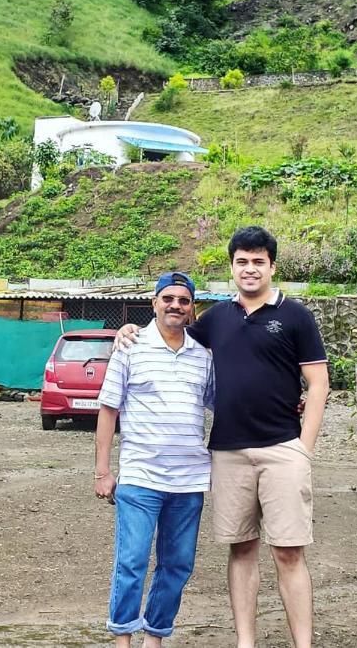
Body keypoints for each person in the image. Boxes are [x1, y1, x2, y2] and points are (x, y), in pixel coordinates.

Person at [115, 226, 329, 648]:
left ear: (272, 266)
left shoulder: (296, 316)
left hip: (282, 449)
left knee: (288, 551)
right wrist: (128, 332)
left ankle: (303, 644)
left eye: (259, 262)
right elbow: (171, 338)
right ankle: (244, 642)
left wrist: (304, 448)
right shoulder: (216, 319)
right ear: (232, 266)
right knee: (242, 549)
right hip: (227, 453)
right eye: (242, 261)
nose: (250, 269)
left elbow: (318, 383)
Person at [94, 272, 214, 648]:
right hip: (140, 477)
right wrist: (102, 471)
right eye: (168, 298)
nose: (175, 305)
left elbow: (224, 402)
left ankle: (155, 637)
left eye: (183, 299)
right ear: (154, 303)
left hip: (189, 481)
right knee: (131, 563)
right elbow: (108, 411)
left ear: (192, 307)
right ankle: (122, 637)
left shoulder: (203, 354)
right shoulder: (130, 346)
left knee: (177, 566)